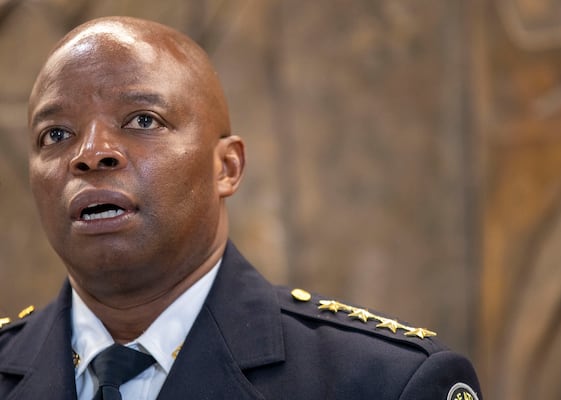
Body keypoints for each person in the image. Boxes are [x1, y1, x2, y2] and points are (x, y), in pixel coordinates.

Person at [0, 16, 482, 400]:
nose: (91, 152)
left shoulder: (385, 383)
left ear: (226, 167)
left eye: (142, 120)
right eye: (56, 135)